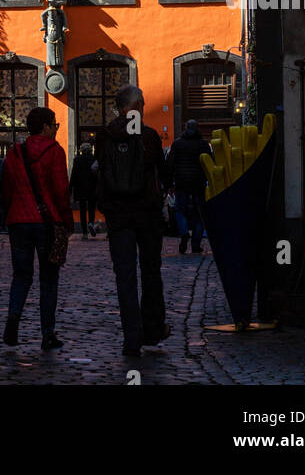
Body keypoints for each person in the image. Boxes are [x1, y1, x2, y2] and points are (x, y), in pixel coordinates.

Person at [95, 84, 170, 358]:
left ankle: (131, 338)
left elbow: (100, 172)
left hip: (118, 216)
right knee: (151, 272)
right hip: (147, 215)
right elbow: (163, 173)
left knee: (124, 276)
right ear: (137, 105)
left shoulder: (103, 136)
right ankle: (152, 329)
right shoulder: (149, 136)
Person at [0, 106, 74, 350]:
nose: (56, 129)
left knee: (21, 276)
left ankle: (13, 320)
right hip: (46, 222)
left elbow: (6, 187)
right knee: (48, 279)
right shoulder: (55, 152)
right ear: (45, 126)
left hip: (18, 221)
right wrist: (66, 221)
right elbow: (61, 192)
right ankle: (47, 334)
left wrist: (8, 214)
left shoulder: (15, 152)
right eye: (55, 125)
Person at [163, 119, 212, 255]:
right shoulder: (203, 144)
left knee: (180, 210)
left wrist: (168, 184)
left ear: (185, 128)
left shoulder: (177, 144)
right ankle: (196, 243)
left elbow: (170, 164)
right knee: (199, 214)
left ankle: (184, 232)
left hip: (181, 183)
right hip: (198, 183)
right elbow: (210, 163)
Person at [69, 141, 99, 238]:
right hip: (92, 187)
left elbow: (73, 174)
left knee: (82, 209)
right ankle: (90, 222)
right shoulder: (94, 159)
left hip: (80, 188)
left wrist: (70, 187)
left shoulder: (77, 159)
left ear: (81, 150)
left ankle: (84, 232)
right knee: (91, 208)